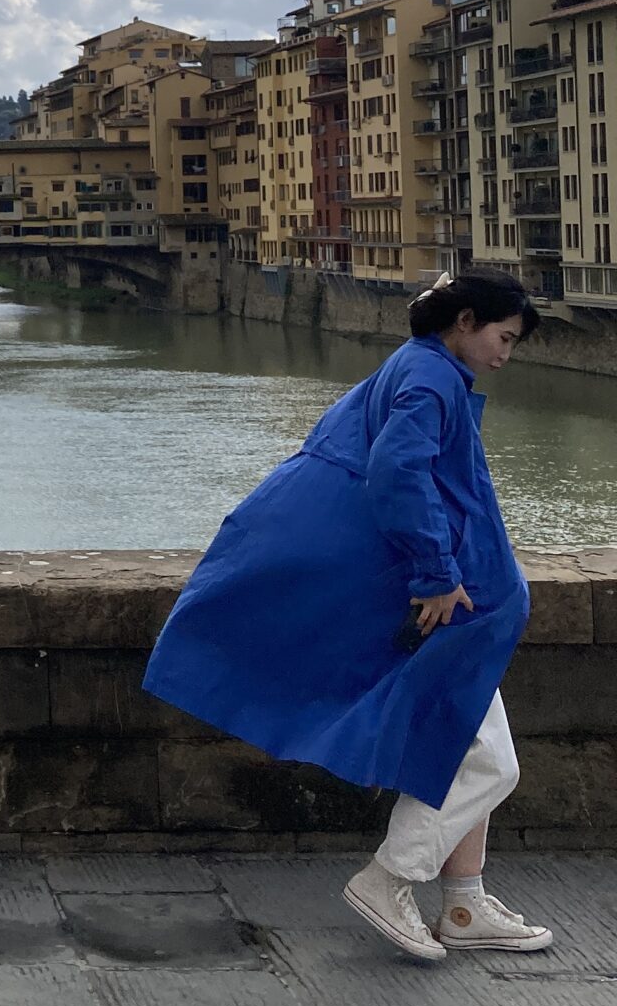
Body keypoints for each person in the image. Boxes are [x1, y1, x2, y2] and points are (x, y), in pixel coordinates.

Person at [144, 269, 549, 965]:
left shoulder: (420, 368)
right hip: (436, 601)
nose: (506, 353)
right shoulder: (431, 380)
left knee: (466, 745)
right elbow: (398, 472)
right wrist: (436, 574)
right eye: (503, 337)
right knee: (488, 762)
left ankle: (463, 902)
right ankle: (390, 878)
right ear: (466, 322)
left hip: (441, 602)